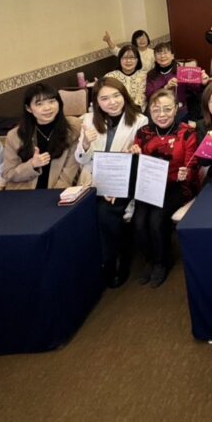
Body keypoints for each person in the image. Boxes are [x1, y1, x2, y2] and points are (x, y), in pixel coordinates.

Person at [75, 78, 147, 288]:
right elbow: (81, 160)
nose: (112, 102)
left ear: (124, 95)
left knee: (106, 212)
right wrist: (85, 144)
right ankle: (94, 259)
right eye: (105, 98)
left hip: (123, 178)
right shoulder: (88, 120)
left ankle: (115, 258)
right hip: (93, 179)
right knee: (83, 211)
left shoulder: (139, 120)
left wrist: (135, 152)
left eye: (116, 96)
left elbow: (141, 161)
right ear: (96, 102)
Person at [130, 89, 199, 288]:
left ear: (176, 109)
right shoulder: (143, 133)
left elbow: (192, 165)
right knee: (138, 221)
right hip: (150, 185)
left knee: (156, 219)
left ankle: (162, 262)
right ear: (149, 111)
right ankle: (149, 259)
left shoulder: (187, 132)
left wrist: (187, 172)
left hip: (177, 185)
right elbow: (139, 165)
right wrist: (135, 155)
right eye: (156, 109)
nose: (162, 114)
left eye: (167, 109)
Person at [2, 84, 81, 190]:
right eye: (39, 104)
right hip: (24, 192)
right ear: (28, 108)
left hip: (57, 191)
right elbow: (8, 174)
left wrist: (54, 195)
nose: (47, 108)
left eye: (52, 101)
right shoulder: (15, 135)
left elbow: (68, 173)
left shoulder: (73, 128)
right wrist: (32, 165)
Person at [145, 41, 207, 121]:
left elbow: (195, 89)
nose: (162, 56)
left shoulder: (182, 71)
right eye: (159, 53)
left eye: (166, 53)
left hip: (180, 111)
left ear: (172, 56)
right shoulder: (151, 75)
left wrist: (202, 83)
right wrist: (165, 87)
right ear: (155, 58)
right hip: (159, 111)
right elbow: (149, 95)